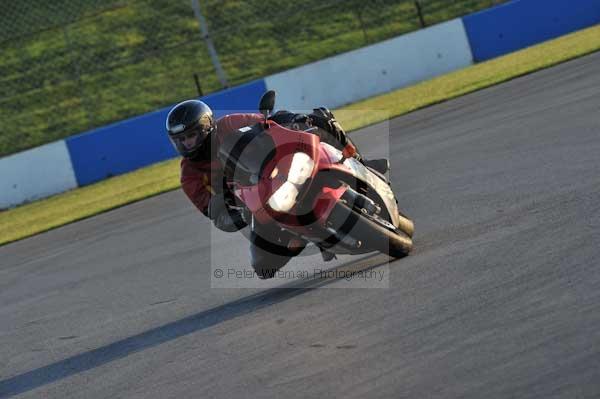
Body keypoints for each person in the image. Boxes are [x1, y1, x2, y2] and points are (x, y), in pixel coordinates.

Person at [165, 99, 389, 279]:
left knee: (321, 117)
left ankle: (361, 162)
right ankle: (304, 235)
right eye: (181, 139)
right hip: (256, 205)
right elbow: (212, 211)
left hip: (279, 169)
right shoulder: (189, 175)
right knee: (263, 268)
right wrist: (234, 215)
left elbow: (269, 124)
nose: (186, 144)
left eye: (191, 136)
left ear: (206, 127)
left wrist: (294, 121)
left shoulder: (230, 124)